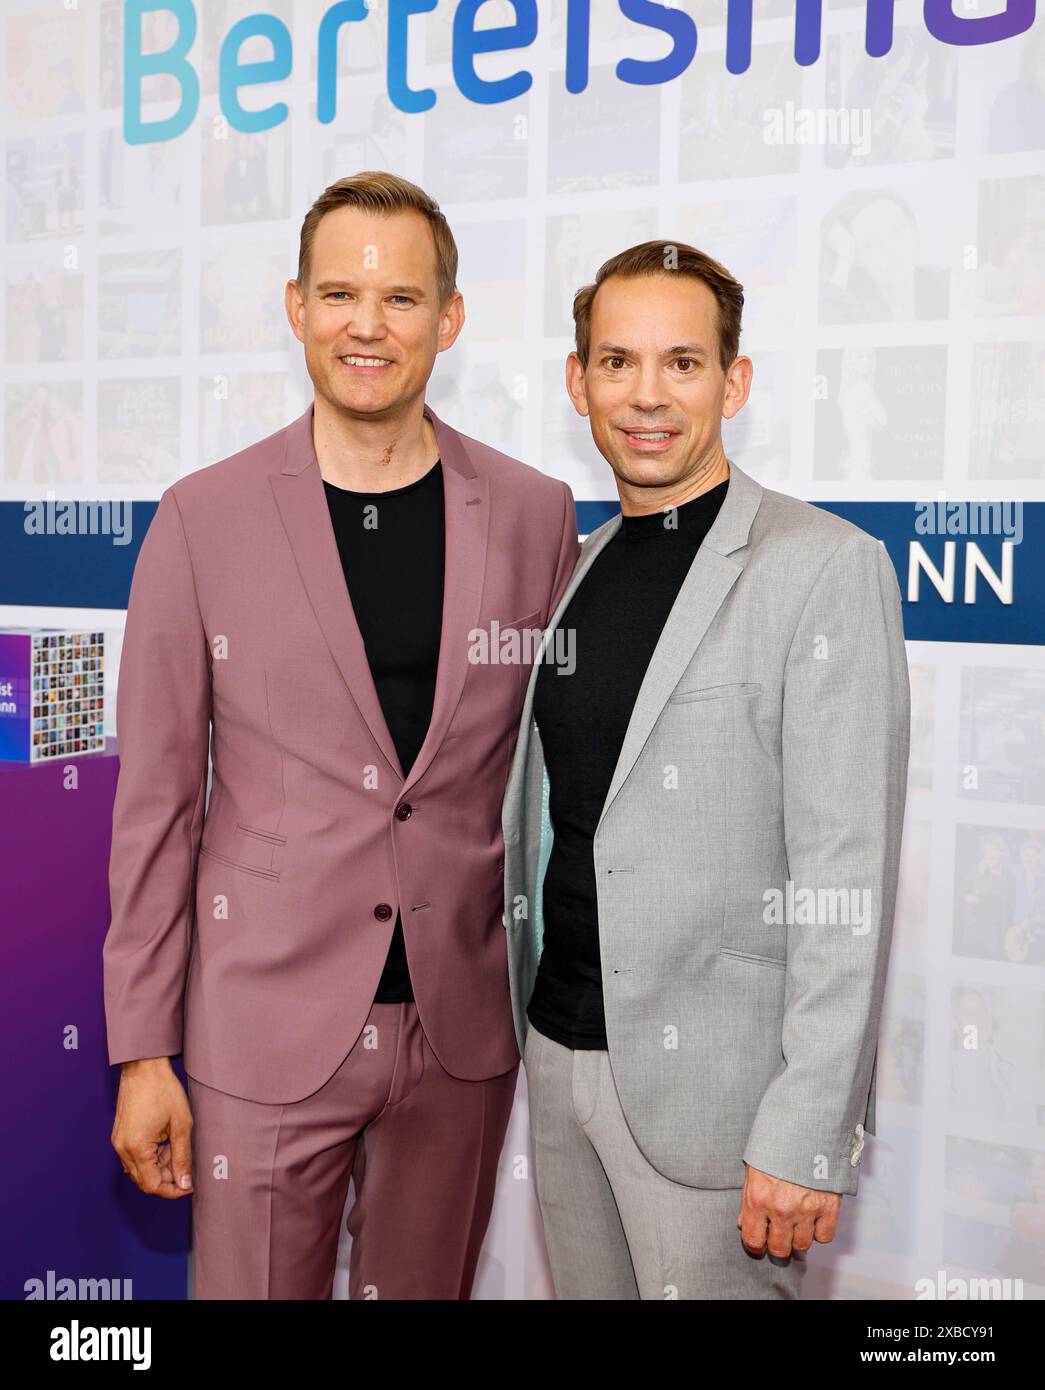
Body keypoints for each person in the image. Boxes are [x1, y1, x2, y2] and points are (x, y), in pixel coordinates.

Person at [103, 171, 579, 1300]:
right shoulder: (200, 518)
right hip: (261, 1019)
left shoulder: (532, 511)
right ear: (296, 307)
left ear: (449, 319)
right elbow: (157, 806)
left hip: (461, 1027)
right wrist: (140, 1050)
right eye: (339, 294)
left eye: (402, 297)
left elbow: (557, 780)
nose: (368, 323)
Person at [502, 239, 911, 1299]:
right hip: (559, 1051)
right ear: (577, 381)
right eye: (617, 361)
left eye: (682, 363)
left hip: (723, 1110)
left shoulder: (821, 567)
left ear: (732, 382)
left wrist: (808, 1126)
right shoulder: (583, 565)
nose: (647, 395)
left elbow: (845, 874)